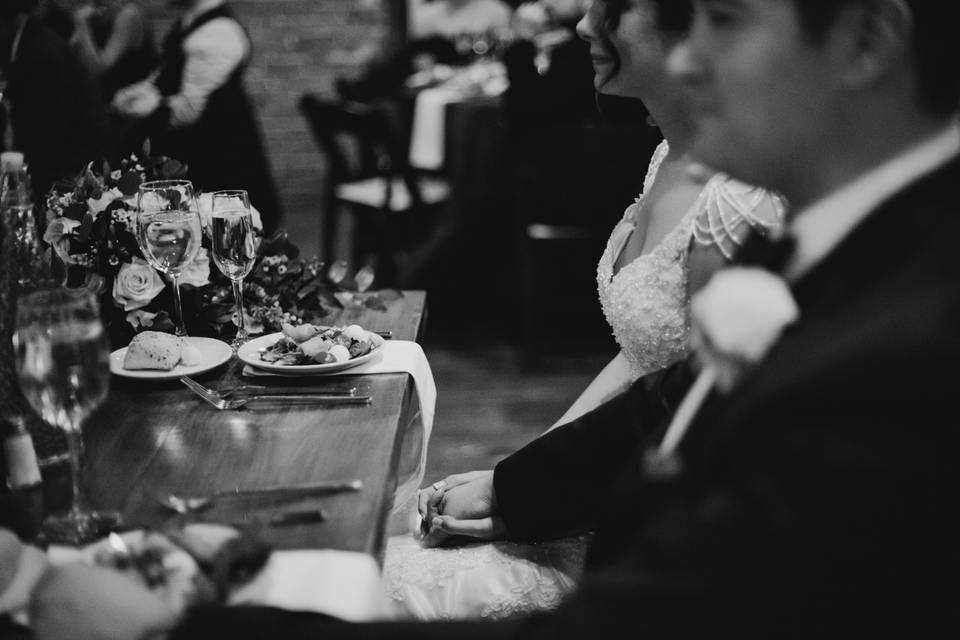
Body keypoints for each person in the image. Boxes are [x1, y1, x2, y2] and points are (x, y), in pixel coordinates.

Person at [29, 0, 960, 636]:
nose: (681, 56)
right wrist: (517, 487)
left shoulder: (905, 351)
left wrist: (184, 630)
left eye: (720, 17)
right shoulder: (848, 249)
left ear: (869, 41)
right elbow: (666, 400)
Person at [382, 0, 783, 620]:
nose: (582, 25)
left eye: (613, 9)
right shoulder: (666, 156)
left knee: (385, 588)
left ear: (691, 27)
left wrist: (522, 503)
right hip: (608, 476)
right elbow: (640, 363)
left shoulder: (733, 197)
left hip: (661, 532)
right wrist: (518, 475)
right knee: (383, 547)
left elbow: (700, 414)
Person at [112, 0, 282, 233]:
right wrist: (136, 93)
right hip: (197, 148)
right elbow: (166, 74)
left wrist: (147, 107)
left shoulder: (218, 33)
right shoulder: (192, 19)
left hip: (218, 156)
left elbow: (188, 109)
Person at [0, 0, 109, 199]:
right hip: (53, 156)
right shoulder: (26, 41)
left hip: (70, 167)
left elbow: (40, 133)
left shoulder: (41, 52)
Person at [67, 1, 157, 104]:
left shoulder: (128, 15)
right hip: (100, 96)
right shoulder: (96, 17)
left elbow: (97, 69)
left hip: (128, 101)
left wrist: (82, 24)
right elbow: (68, 57)